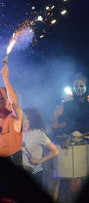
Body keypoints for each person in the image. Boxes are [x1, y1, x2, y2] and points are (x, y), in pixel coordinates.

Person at [51, 72, 89, 202]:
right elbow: (55, 124)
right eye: (76, 85)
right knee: (66, 186)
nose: (79, 88)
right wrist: (56, 114)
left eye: (81, 86)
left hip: (86, 147)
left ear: (86, 86)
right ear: (73, 87)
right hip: (69, 147)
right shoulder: (65, 104)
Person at [0, 63, 23, 165]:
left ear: (8, 101)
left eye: (1, 97)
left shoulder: (15, 118)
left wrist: (5, 78)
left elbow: (14, 103)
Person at [22, 108, 59, 186]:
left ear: (29, 119)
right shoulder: (18, 132)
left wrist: (40, 161)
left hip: (34, 172)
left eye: (23, 116)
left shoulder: (39, 134)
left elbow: (56, 151)